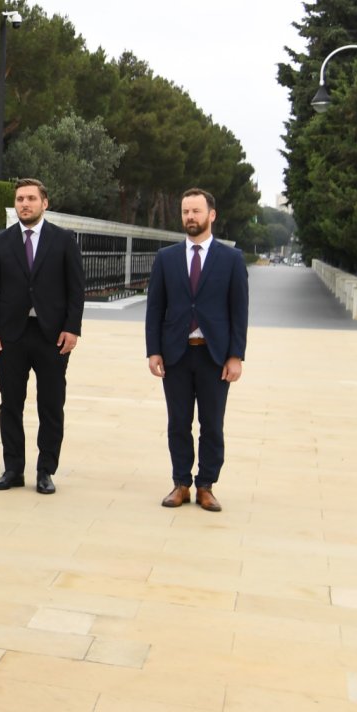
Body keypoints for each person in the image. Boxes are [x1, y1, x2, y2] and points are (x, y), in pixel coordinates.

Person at [146, 187, 249, 513]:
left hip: (213, 355)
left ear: (211, 215)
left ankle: (206, 486)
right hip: (175, 354)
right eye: (186, 211)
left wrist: (236, 356)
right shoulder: (166, 258)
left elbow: (239, 311)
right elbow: (155, 308)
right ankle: (181, 483)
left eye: (196, 211)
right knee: (178, 423)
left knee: (212, 424)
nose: (190, 217)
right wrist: (153, 351)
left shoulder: (231, 259)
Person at [0, 178, 85, 495]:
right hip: (10, 336)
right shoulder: (0, 240)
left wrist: (72, 328)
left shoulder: (63, 240)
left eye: (31, 198)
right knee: (10, 404)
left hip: (52, 336)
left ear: (44, 203)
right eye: (20, 199)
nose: (24, 204)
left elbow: (76, 289)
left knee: (50, 405)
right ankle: (13, 469)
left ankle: (45, 471)